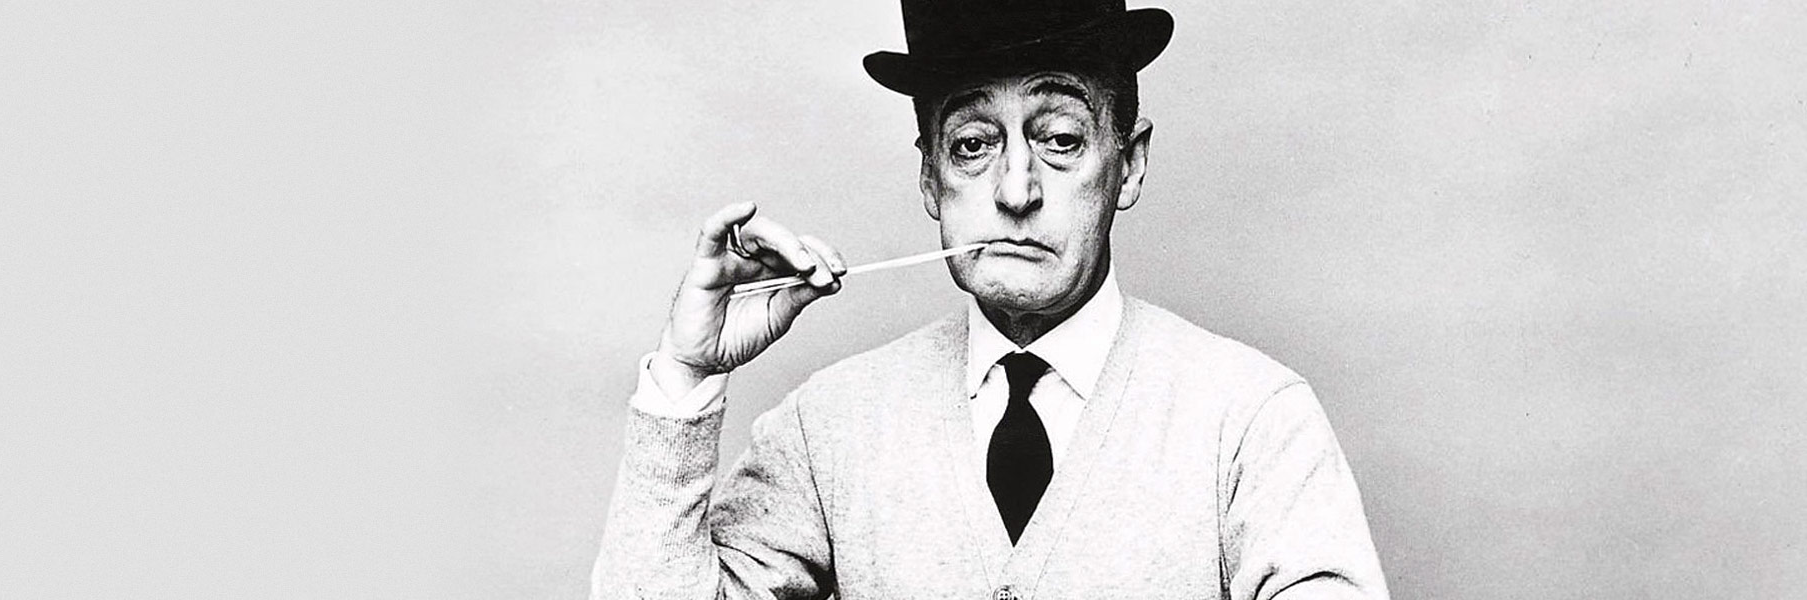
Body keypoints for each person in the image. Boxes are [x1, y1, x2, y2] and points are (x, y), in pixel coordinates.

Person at [592, 0, 1390, 597]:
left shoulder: (1252, 420)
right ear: (930, 179)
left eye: (1061, 139)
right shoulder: (827, 427)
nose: (1016, 190)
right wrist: (685, 375)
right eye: (973, 145)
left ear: (1130, 165)